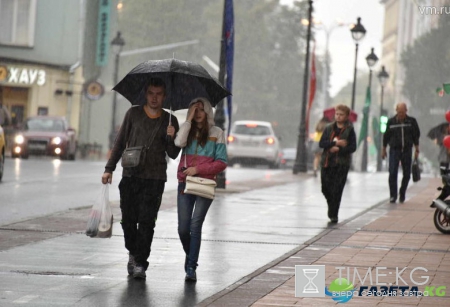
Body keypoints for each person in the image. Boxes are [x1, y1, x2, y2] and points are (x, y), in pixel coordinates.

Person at [101, 78, 181, 279]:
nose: (154, 98)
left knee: (147, 222)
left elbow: (172, 154)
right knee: (128, 220)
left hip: (154, 179)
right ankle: (134, 252)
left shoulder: (170, 120)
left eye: (159, 94)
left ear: (164, 96)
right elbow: (119, 143)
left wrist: (172, 137)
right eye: (151, 93)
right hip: (130, 176)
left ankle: (140, 263)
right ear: (146, 94)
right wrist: (109, 168)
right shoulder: (133, 114)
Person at [174, 97, 227, 282]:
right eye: (194, 110)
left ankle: (191, 267)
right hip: (185, 183)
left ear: (208, 112)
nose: (197, 114)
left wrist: (198, 169)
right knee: (182, 229)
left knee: (195, 226)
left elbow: (221, 162)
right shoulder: (186, 130)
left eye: (201, 110)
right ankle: (191, 257)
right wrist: (187, 121)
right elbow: (178, 143)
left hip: (205, 184)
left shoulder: (217, 133)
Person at [319, 104, 357, 223]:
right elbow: (321, 144)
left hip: (341, 164)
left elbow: (352, 147)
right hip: (327, 162)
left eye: (341, 115)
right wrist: (333, 144)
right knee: (325, 188)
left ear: (346, 116)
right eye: (337, 114)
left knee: (337, 189)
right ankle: (332, 206)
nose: (338, 117)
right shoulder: (328, 128)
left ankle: (333, 214)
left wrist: (340, 150)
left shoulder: (350, 130)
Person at [382, 102, 420, 203]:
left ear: (406, 111)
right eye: (399, 112)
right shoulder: (391, 122)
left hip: (407, 150)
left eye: (402, 112)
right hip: (394, 150)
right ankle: (393, 195)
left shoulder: (411, 121)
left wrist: (417, 148)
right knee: (392, 172)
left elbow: (416, 135)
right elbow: (386, 136)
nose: (401, 114)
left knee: (407, 174)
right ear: (396, 111)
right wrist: (384, 149)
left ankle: (402, 192)